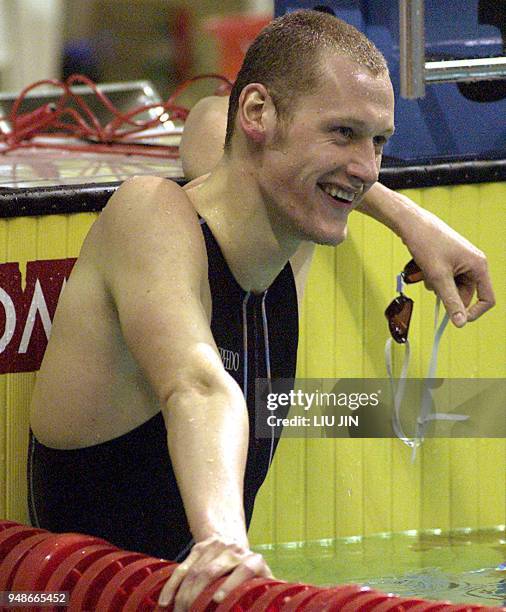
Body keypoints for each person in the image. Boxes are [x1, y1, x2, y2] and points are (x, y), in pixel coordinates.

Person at [28, 10, 494, 611]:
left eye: (378, 141)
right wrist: (222, 543)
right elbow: (198, 387)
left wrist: (411, 219)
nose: (368, 167)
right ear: (257, 115)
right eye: (343, 134)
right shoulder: (148, 218)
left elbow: (205, 122)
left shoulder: (282, 237)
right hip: (73, 596)